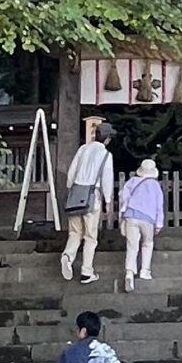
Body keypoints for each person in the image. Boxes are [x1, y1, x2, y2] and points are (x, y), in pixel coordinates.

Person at [60, 121, 117, 284]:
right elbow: (106, 178)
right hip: (93, 197)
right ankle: (87, 271)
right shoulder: (106, 155)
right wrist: (108, 200)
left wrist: (72, 189)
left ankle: (67, 256)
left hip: (76, 194)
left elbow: (71, 173)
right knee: (90, 236)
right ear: (107, 139)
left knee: (74, 232)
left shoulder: (82, 149)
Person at [118, 159, 165, 291]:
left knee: (132, 246)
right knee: (147, 243)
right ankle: (145, 271)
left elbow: (123, 196)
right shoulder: (156, 186)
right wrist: (159, 224)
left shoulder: (132, 182)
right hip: (148, 218)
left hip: (131, 216)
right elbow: (159, 206)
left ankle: (129, 273)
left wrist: (123, 213)